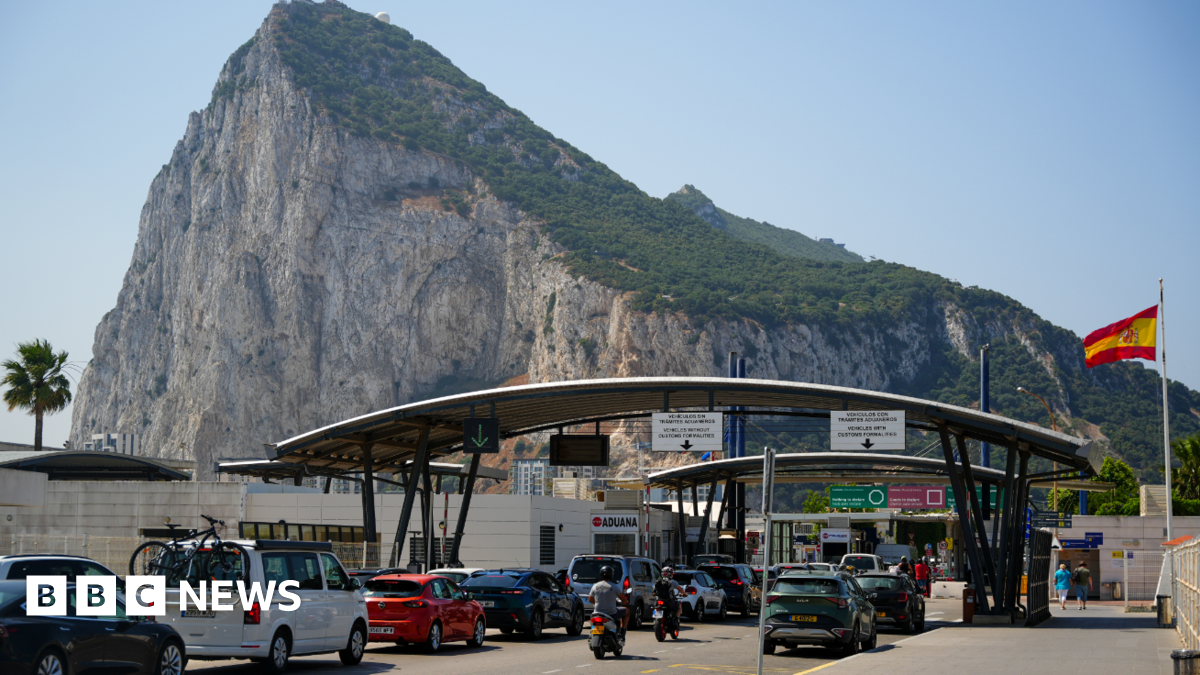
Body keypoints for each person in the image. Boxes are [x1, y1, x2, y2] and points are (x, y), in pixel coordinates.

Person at [588, 566, 629, 633]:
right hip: (611, 613)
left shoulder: (595, 586)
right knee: (627, 611)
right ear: (611, 575)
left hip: (597, 612)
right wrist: (625, 601)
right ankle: (622, 632)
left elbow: (590, 599)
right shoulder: (614, 586)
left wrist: (598, 603)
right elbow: (622, 598)